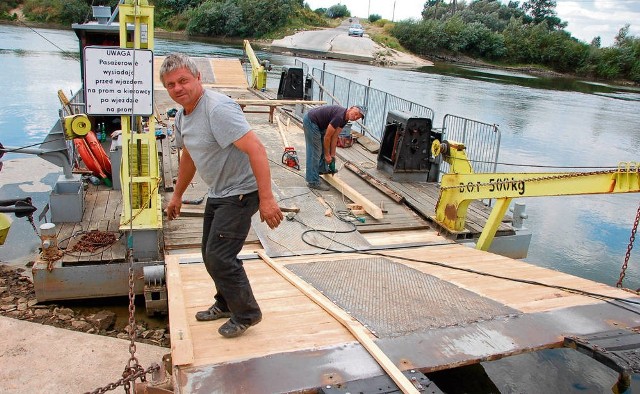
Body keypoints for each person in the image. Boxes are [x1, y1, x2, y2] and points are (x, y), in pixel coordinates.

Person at [160, 53, 283, 338]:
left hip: (243, 191)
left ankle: (247, 313)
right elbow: (188, 156)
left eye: (183, 81)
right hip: (219, 191)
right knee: (209, 253)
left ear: (198, 78)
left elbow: (257, 150)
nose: (178, 88)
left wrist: (267, 199)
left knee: (220, 256)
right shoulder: (182, 114)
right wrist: (177, 196)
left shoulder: (217, 109)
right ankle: (226, 303)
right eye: (170, 84)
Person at [303, 104, 365, 191]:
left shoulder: (345, 119)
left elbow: (335, 137)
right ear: (350, 108)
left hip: (319, 124)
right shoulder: (339, 117)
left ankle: (322, 169)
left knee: (323, 149)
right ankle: (312, 181)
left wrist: (332, 155)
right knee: (315, 151)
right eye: (356, 113)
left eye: (358, 117)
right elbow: (327, 137)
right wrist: (327, 155)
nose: (355, 117)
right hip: (311, 121)